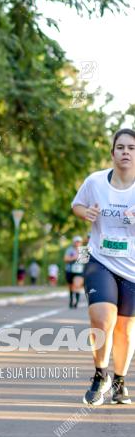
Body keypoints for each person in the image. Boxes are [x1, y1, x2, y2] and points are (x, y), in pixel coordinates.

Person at [72, 128, 135, 406]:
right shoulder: (96, 181)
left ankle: (120, 381)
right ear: (112, 153)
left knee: (125, 329)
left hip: (132, 267)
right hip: (100, 259)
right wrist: (85, 213)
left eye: (131, 148)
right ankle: (100, 375)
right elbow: (77, 204)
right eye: (120, 147)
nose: (126, 152)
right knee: (101, 318)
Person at [64, 235, 85, 309]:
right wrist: (74, 258)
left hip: (79, 271)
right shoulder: (69, 249)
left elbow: (85, 262)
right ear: (74, 242)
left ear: (81, 243)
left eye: (79, 242)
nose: (77, 243)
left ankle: (76, 302)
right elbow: (66, 259)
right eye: (76, 241)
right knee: (70, 286)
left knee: (77, 285)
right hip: (69, 270)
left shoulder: (83, 250)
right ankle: (71, 299)